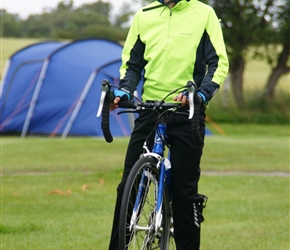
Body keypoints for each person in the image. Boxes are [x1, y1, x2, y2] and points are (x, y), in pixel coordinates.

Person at [108, 0, 229, 249]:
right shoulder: (144, 15)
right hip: (150, 109)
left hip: (188, 110)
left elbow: (218, 64)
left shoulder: (204, 13)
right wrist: (125, 92)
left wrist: (201, 94)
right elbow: (132, 65)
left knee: (184, 192)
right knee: (127, 187)